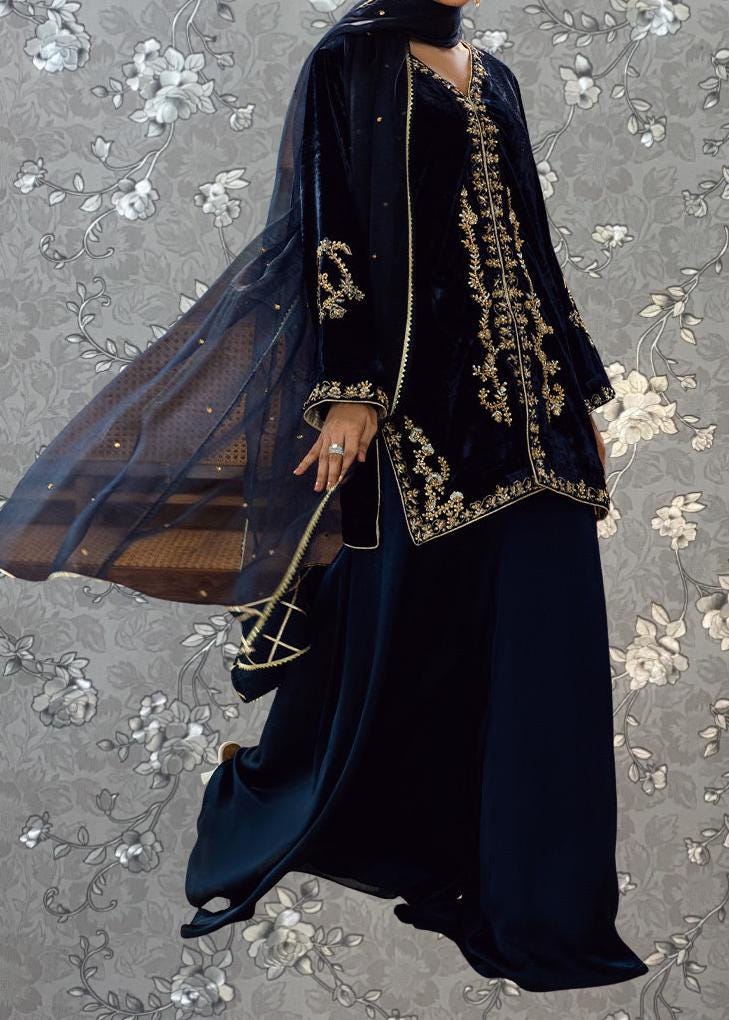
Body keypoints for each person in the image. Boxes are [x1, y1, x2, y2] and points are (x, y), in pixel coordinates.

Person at [0, 0, 648, 993]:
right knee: (397, 648)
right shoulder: (354, 59)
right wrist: (348, 394)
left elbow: (531, 239)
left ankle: (543, 915)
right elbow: (328, 222)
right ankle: (270, 804)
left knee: (548, 666)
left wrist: (582, 387)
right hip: (418, 415)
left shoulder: (496, 76)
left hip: (539, 417)